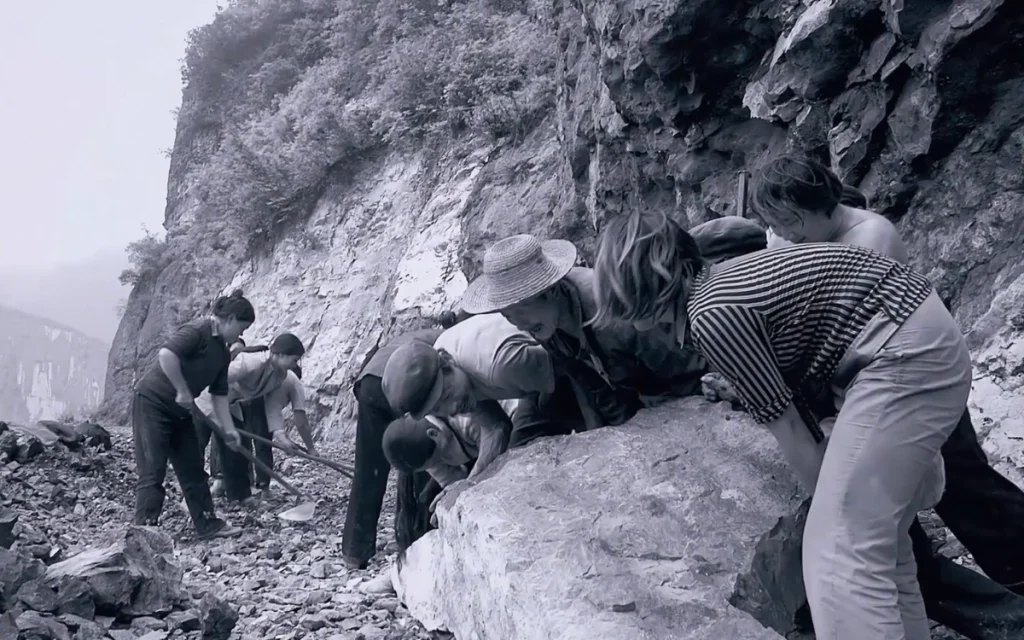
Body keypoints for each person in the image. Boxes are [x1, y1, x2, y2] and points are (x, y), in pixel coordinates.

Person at [592, 211, 971, 640]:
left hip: (900, 350)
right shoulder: (720, 286)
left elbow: (789, 427)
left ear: (649, 283)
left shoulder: (712, 313)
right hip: (910, 334)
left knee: (837, 553)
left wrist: (829, 507)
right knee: (881, 545)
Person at [749, 153, 1024, 638]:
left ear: (818, 207)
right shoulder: (818, 235)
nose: (785, 234)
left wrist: (783, 257)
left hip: (909, 382)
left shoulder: (870, 238)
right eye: (776, 225)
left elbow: (838, 315)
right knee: (895, 516)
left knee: (968, 490)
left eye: (791, 223)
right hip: (866, 393)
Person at [457, 234, 709, 447]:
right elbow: (593, 385)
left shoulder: (610, 314)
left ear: (550, 291)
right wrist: (621, 434)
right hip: (644, 400)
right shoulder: (546, 324)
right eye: (507, 314)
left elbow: (687, 369)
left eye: (521, 308)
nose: (518, 323)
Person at [131, 289, 253, 540]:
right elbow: (166, 354)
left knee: (193, 469)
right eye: (241, 328)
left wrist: (229, 429)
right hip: (153, 402)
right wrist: (182, 389)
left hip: (183, 412)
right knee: (153, 468)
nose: (241, 335)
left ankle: (207, 523)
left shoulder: (222, 353)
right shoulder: (198, 330)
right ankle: (144, 530)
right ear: (229, 319)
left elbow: (219, 395)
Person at [342, 326, 443, 572]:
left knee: (369, 469)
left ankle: (355, 552)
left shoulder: (414, 335)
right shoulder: (449, 341)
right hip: (403, 381)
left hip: (369, 384)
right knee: (418, 460)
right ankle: (416, 543)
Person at [194, 332, 311, 506]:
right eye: (294, 360)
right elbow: (217, 380)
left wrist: (282, 438)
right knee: (196, 448)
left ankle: (241, 497)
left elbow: (272, 411)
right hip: (205, 401)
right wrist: (219, 420)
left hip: (230, 406)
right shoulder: (252, 362)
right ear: (279, 355)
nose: (296, 364)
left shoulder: (280, 376)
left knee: (236, 450)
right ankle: (193, 496)